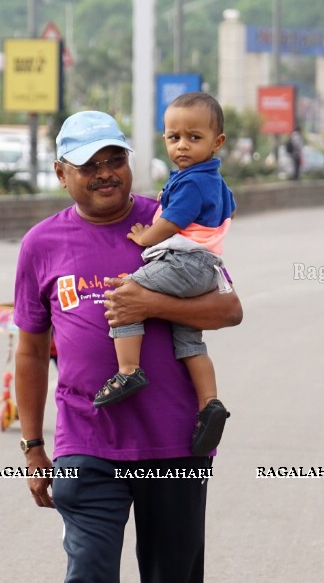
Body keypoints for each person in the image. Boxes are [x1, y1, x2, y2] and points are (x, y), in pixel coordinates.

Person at [13, 110, 243, 583]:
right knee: (89, 575)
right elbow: (31, 352)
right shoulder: (41, 244)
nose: (104, 173)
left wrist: (151, 303)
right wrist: (34, 446)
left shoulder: (167, 218)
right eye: (88, 164)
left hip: (176, 442)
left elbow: (228, 309)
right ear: (61, 173)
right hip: (87, 440)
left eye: (115, 159)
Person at [92, 94, 234, 456]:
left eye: (193, 137)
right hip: (206, 267)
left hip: (183, 263)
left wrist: (146, 235)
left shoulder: (191, 182)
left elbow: (172, 222)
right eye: (174, 137)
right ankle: (209, 404)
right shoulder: (209, 180)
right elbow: (211, 208)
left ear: (217, 142)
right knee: (189, 342)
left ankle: (128, 369)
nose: (182, 145)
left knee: (126, 294)